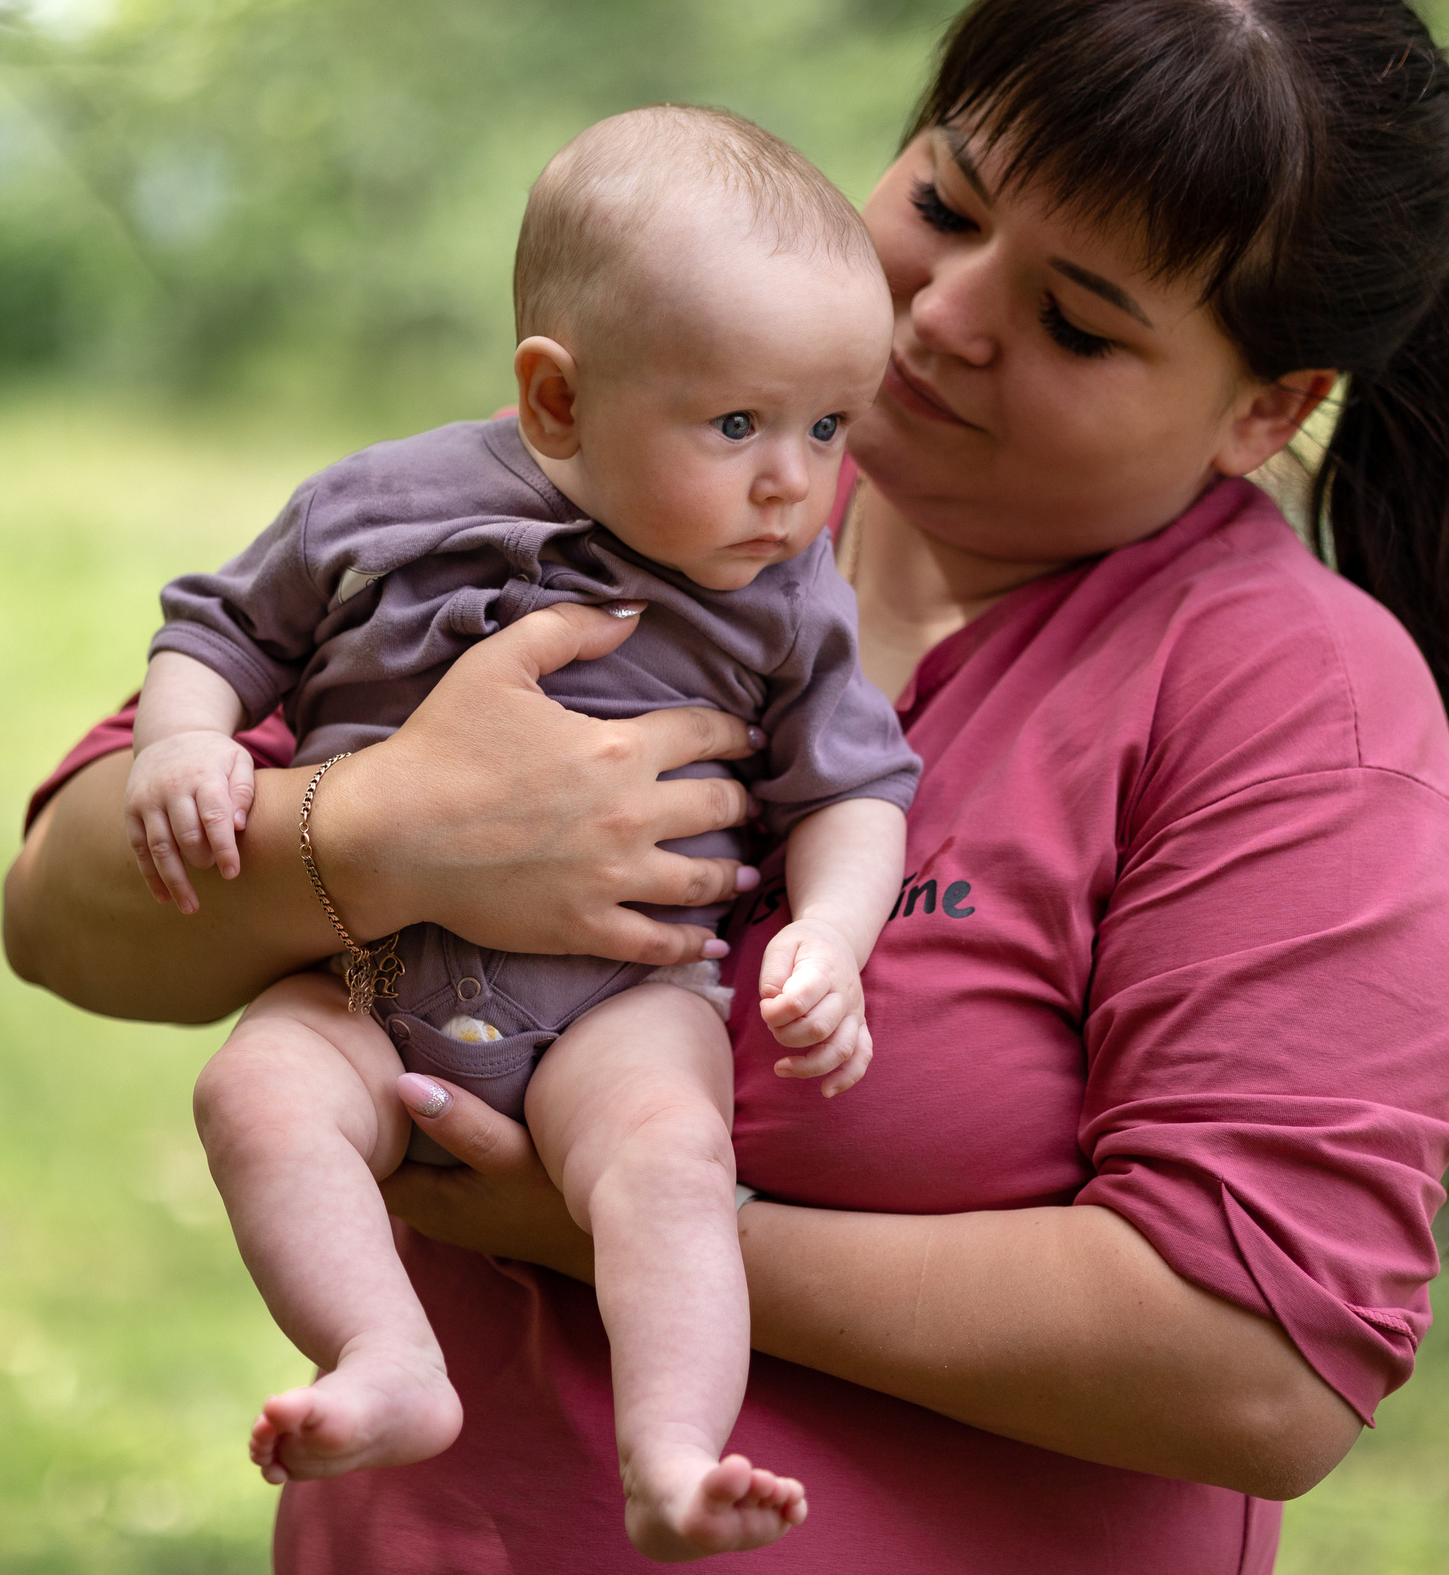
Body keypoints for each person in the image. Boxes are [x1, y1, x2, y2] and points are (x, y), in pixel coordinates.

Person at [3, 0, 1449, 1574]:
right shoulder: (628, 492)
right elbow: (65, 915)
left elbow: (1258, 1368)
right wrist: (378, 833)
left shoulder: (1287, 713)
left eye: (1078, 322)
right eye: (942, 204)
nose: (945, 313)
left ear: (1268, 408)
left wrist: (634, 1224)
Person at [127, 106, 919, 1558]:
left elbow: (855, 790)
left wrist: (833, 936)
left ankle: (674, 1451)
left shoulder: (789, 597)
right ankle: (384, 1356)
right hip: (362, 974)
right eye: (738, 424)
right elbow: (224, 627)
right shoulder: (379, 505)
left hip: (621, 1000)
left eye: (829, 426)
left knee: (670, 1160)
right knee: (258, 1097)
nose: (793, 482)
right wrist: (184, 738)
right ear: (556, 403)